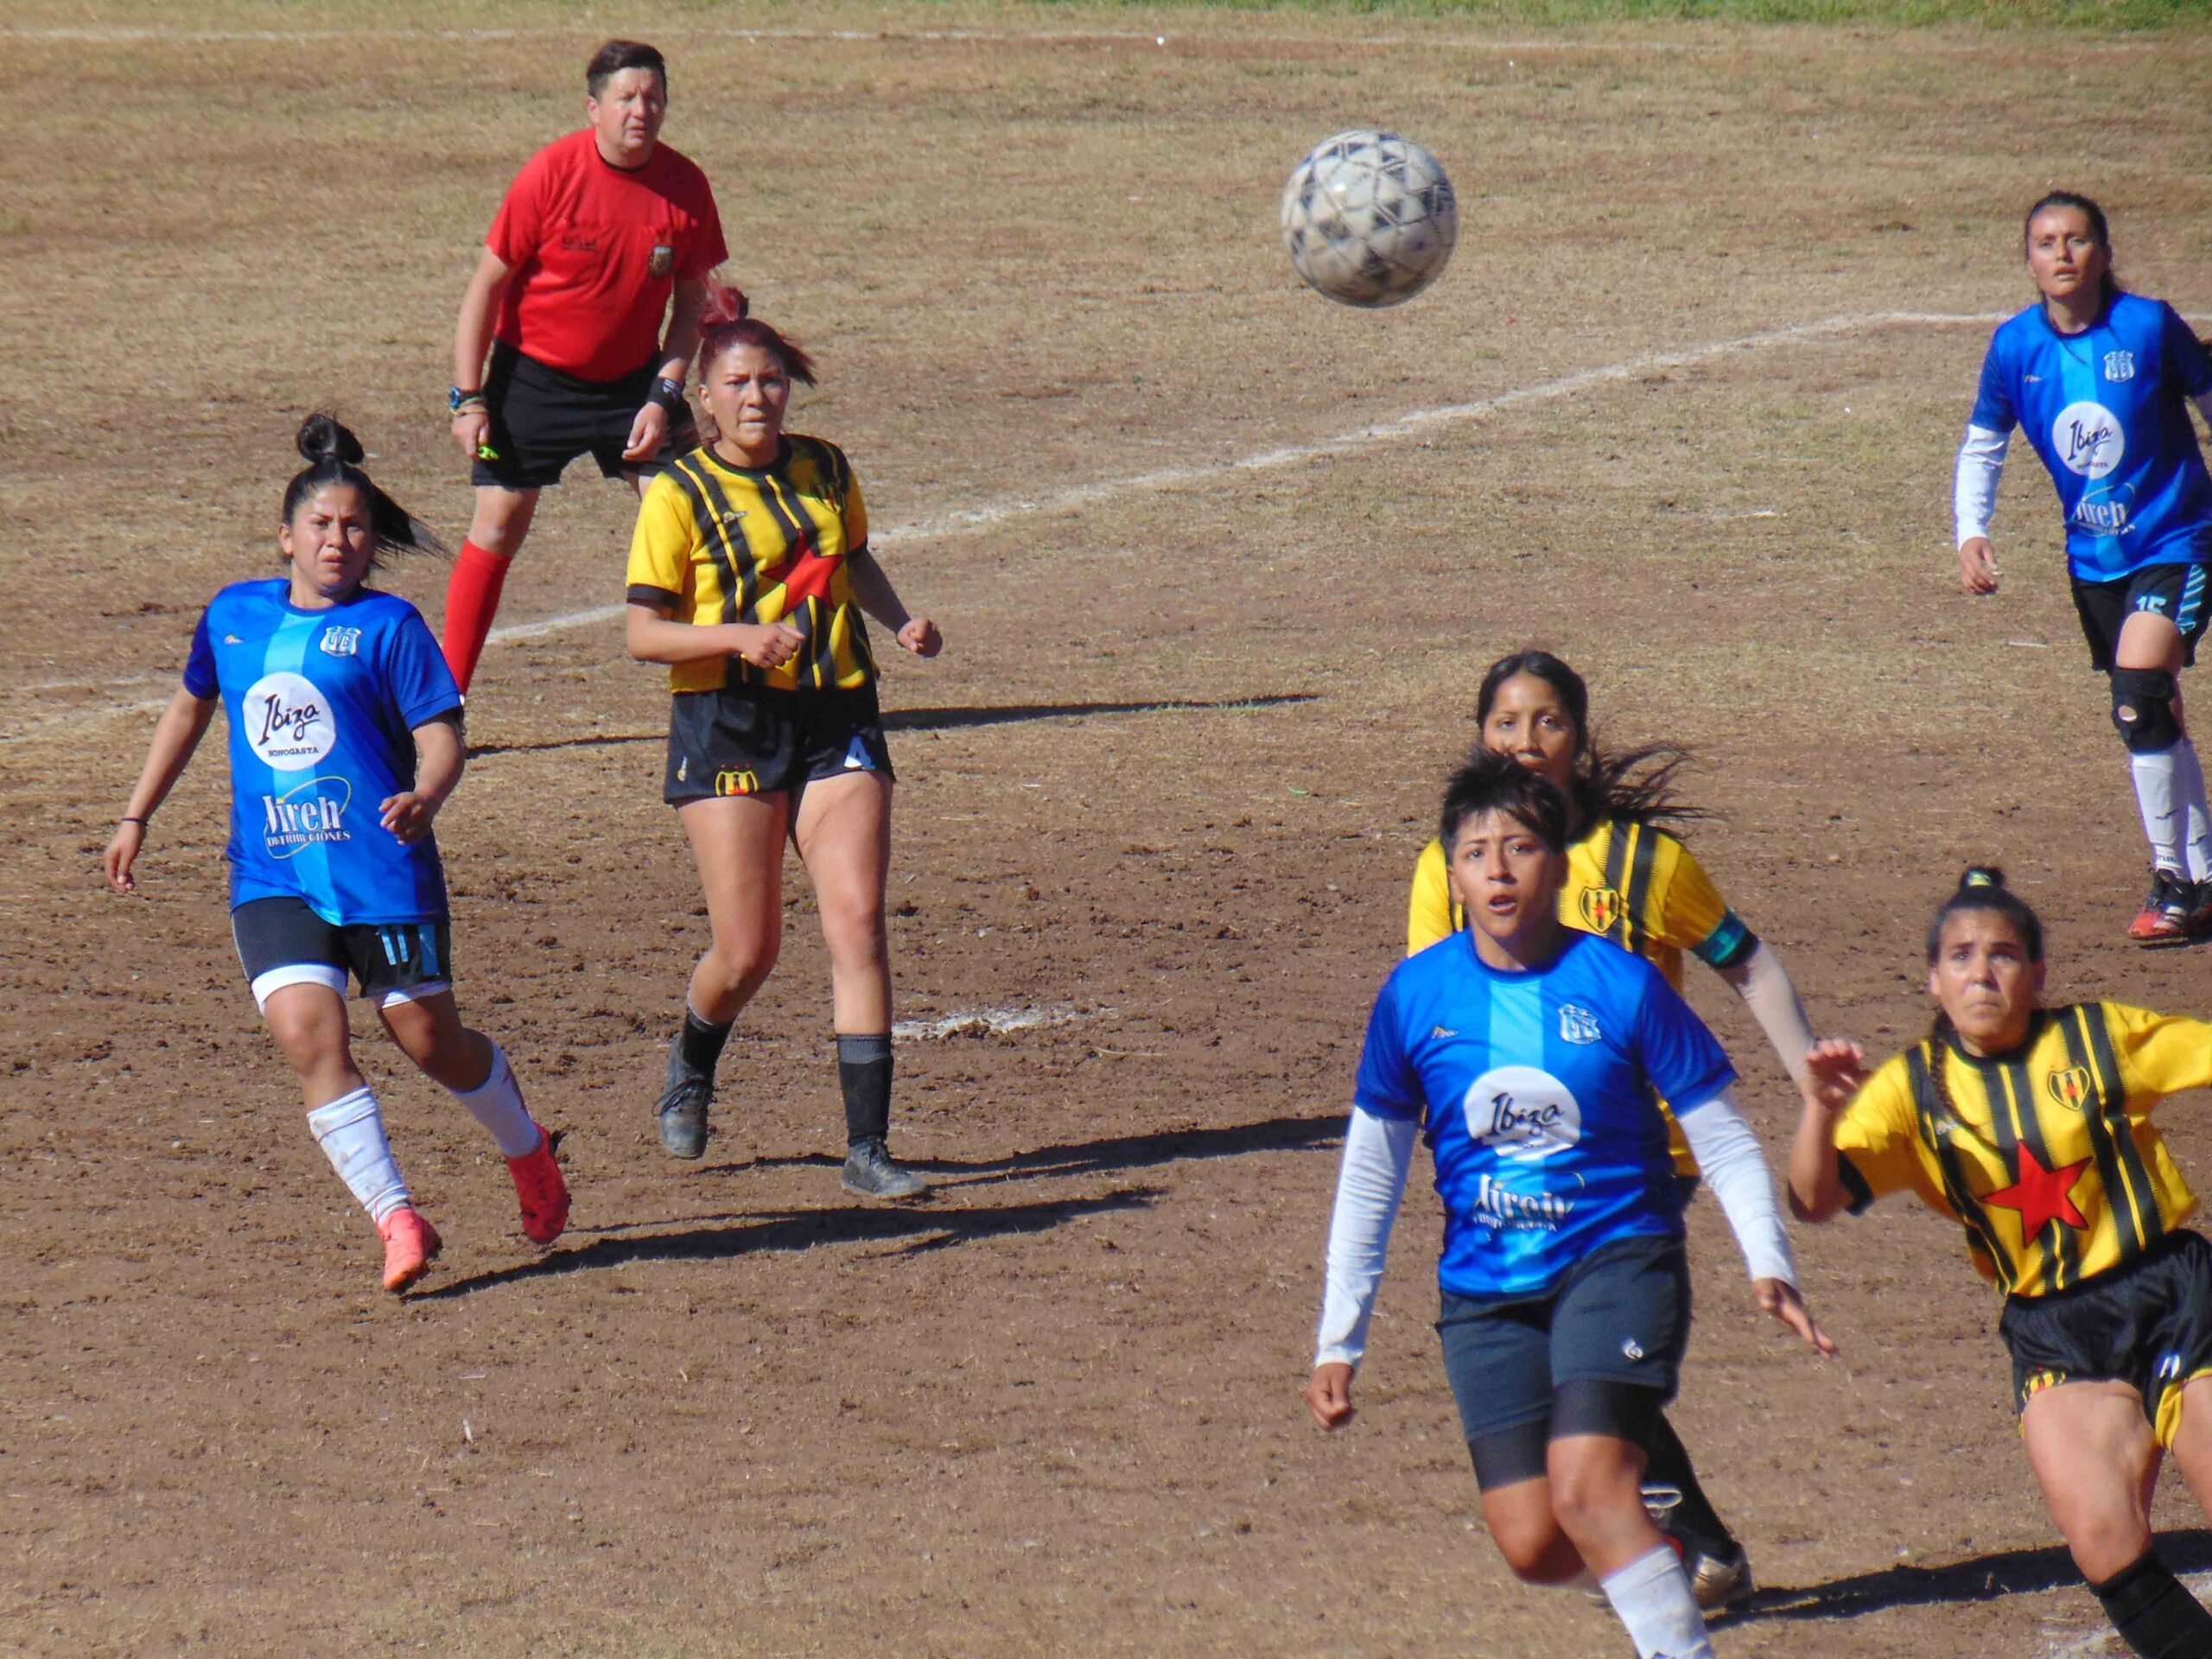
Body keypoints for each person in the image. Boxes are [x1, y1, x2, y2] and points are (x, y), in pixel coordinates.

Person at [1307, 752, 1831, 1659]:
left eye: (1519, 848)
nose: (1499, 870)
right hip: (1485, 1297)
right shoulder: (1415, 997)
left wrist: (1767, 1258)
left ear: (1558, 863)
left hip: (1618, 1261)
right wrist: (1338, 1338)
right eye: (1476, 854)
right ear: (1452, 874)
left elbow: (1724, 1137)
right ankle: (1652, 1563)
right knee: (1533, 1543)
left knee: (1591, 1490)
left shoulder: (1619, 985)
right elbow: (1370, 1174)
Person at [102, 416, 569, 1294]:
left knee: (432, 1044)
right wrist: (137, 816)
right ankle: (397, 1219)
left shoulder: (390, 628)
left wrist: (427, 795)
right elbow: (188, 709)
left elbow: (442, 737)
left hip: (382, 869)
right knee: (308, 1039)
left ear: (371, 541)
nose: (339, 541)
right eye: (322, 525)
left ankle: (528, 1152)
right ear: (288, 537)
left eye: (355, 527)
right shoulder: (233, 617)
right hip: (271, 873)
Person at [1406, 648, 1821, 1605]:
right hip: (1512, 1150)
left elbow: (1744, 962)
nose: (1525, 742)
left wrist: (1808, 1079)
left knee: (1575, 1334)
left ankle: (1681, 1541)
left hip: (1642, 1151)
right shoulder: (1449, 863)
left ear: (1579, 738)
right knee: (1565, 1352)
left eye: (1546, 721)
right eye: (1505, 723)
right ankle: (1688, 1541)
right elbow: (1436, 1005)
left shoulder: (1644, 861)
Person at [1792, 868, 2212, 1659]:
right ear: (1933, 978)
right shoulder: (1910, 1090)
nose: (1981, 972)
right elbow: (1813, 1199)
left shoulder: (2096, 1039)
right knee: (2102, 1541)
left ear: (2038, 975)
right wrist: (1820, 1107)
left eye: (2004, 955)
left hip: (2175, 1296)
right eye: (1960, 957)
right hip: (2053, 1330)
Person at [625, 294, 942, 1199]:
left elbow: (853, 560)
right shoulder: (679, 495)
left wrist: (901, 619)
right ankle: (692, 1061)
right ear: (708, 403)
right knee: (747, 950)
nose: (757, 396)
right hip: (726, 722)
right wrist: (736, 640)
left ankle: (868, 1150)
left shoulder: (826, 469)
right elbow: (644, 635)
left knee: (857, 923)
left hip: (837, 714)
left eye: (770, 380)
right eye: (738, 383)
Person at [1954, 192, 2212, 944]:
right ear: (2028, 258)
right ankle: (2201, 872)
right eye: (2044, 242)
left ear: (2102, 251)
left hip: (2180, 540)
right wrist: (1971, 532)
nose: (2060, 254)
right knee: (2155, 710)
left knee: (2137, 697)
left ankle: (2173, 878)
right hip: (2094, 560)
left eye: (2075, 240)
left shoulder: (2150, 325)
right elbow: (1983, 443)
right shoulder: (2014, 348)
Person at [441, 38, 732, 696]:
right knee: (498, 522)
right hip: (534, 378)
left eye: (654, 97)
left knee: (689, 512)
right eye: (627, 97)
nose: (642, 110)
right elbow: (485, 289)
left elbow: (692, 303)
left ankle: (719, 687)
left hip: (634, 384)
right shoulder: (550, 174)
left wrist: (663, 394)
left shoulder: (686, 187)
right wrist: (469, 398)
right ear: (593, 107)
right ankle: (445, 703)